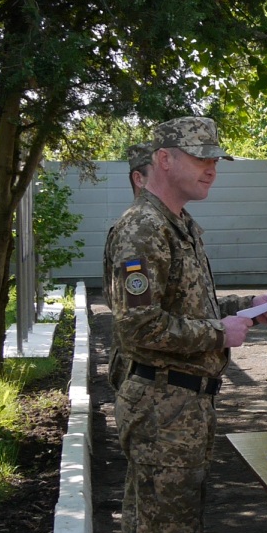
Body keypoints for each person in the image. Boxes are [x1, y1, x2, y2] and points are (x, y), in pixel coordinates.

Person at [105, 116, 267, 533]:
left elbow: (189, 306)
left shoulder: (178, 226)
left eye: (215, 158)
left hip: (182, 403)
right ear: (163, 159)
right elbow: (140, 327)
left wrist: (244, 308)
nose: (211, 168)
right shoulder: (141, 229)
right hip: (162, 406)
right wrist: (218, 333)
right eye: (199, 157)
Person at [104, 142, 153, 393]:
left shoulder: (166, 225)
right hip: (146, 383)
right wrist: (219, 332)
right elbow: (138, 318)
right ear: (138, 178)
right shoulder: (136, 230)